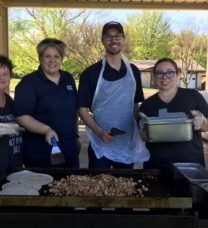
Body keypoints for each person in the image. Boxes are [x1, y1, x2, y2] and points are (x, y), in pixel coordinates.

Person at [78, 21, 150, 169]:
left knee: (125, 187)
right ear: (103, 41)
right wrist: (99, 132)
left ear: (123, 39)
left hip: (126, 144)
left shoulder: (133, 71)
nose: (113, 40)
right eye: (108, 36)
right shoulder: (91, 73)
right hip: (100, 143)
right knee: (98, 186)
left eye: (117, 36)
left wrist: (139, 131)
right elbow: (82, 109)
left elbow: (135, 104)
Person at [14, 38, 80, 168]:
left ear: (62, 59)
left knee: (71, 185)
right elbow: (22, 116)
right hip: (40, 151)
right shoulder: (29, 83)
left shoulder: (68, 79)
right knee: (46, 187)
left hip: (69, 148)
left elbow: (74, 110)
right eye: (47, 56)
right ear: (40, 58)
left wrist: (75, 136)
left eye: (57, 56)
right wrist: (46, 130)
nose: (52, 60)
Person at [139, 57, 208, 170]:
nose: (165, 76)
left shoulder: (193, 96)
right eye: (159, 73)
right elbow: (144, 137)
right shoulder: (147, 105)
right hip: (156, 166)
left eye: (170, 72)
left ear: (177, 75)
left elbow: (206, 126)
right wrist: (144, 130)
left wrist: (203, 121)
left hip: (191, 165)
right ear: (154, 77)